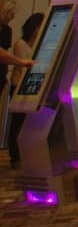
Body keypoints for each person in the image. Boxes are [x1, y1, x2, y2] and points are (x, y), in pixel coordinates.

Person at [7, 11, 44, 165]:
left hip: (33, 86)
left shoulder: (39, 44)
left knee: (29, 123)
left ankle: (27, 154)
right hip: (18, 86)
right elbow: (25, 64)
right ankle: (15, 156)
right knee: (18, 122)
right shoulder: (20, 44)